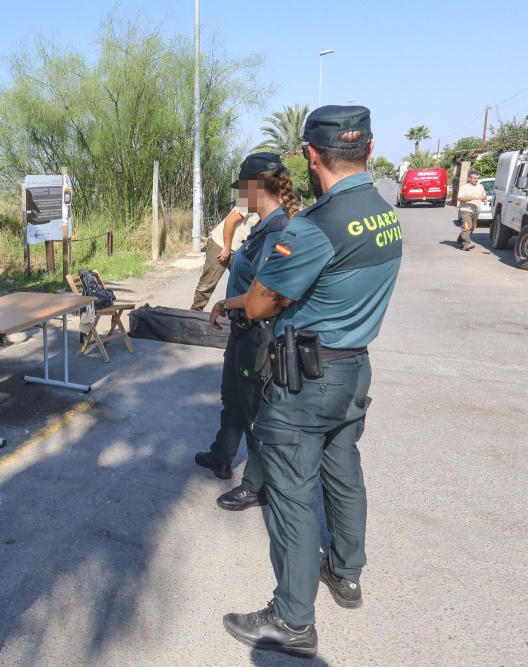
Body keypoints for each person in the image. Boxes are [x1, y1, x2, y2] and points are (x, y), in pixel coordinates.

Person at [219, 106, 402, 658]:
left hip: (305, 379)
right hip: (353, 371)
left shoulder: (316, 227)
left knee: (293, 497)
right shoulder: (385, 214)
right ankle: (346, 574)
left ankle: (294, 620)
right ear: (369, 150)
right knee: (343, 473)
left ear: (311, 155)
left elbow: (257, 303)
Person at [195, 152, 298, 511]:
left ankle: (257, 484)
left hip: (258, 332)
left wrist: (226, 304)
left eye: (242, 187)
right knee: (233, 398)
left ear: (256, 187)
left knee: (254, 410)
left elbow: (266, 294)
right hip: (242, 331)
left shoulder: (278, 229)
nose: (239, 194)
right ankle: (222, 455)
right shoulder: (260, 225)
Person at [190, 205, 258, 310]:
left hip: (238, 249)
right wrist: (226, 247)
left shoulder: (269, 203)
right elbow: (229, 221)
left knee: (244, 283)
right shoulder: (252, 196)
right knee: (208, 283)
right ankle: (194, 312)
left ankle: (241, 315)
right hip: (221, 244)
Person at [456, 170, 487, 251]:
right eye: (474, 178)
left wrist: (485, 200)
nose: (476, 180)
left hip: (476, 211)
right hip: (466, 210)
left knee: (472, 227)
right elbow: (460, 198)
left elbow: (483, 196)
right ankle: (466, 244)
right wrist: (473, 198)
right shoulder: (464, 187)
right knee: (467, 227)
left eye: (477, 178)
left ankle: (460, 241)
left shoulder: (480, 186)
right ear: (469, 178)